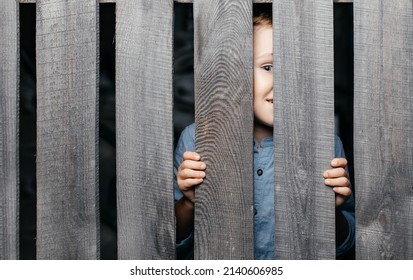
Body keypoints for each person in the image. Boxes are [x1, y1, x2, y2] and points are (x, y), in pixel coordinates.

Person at [174, 6, 355, 259]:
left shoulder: (325, 143)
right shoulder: (196, 139)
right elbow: (174, 241)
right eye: (268, 67)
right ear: (236, 69)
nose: (283, 80)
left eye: (293, 67)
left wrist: (330, 211)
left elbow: (346, 243)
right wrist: (190, 203)